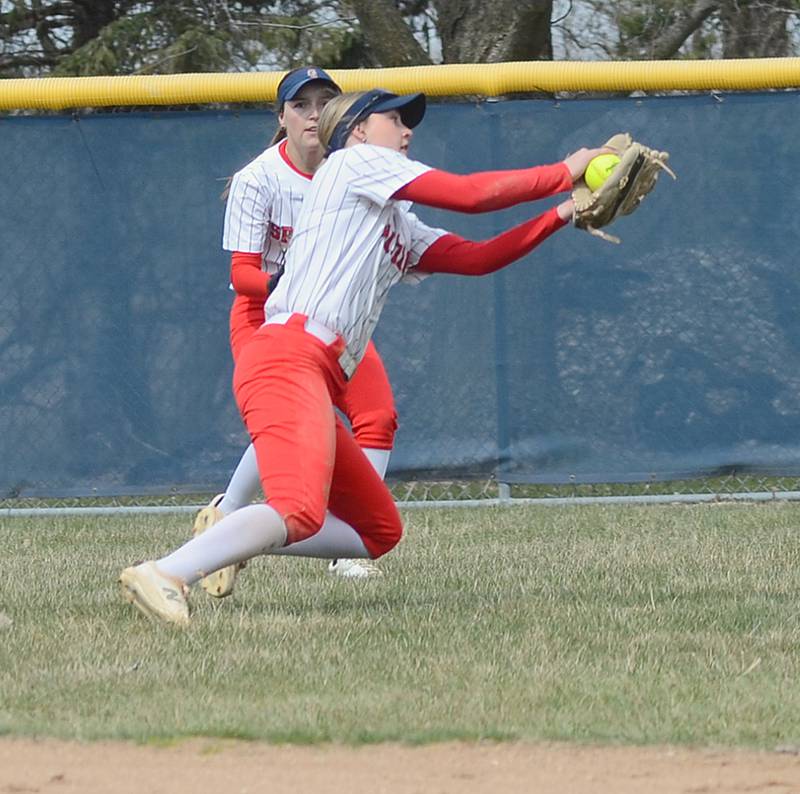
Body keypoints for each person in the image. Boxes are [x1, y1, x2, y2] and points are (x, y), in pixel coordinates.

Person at [120, 88, 610, 626]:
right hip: (288, 355)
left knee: (377, 530)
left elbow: (478, 257)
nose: (406, 132)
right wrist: (567, 170)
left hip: (317, 369)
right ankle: (168, 571)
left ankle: (228, 539)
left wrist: (565, 212)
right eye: (394, 119)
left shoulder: (394, 219)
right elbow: (472, 196)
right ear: (356, 131)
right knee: (300, 508)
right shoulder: (354, 163)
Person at [196, 67, 397, 596]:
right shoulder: (258, 178)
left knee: (377, 415)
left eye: (322, 103)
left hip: (327, 316)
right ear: (281, 116)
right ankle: (230, 514)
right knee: (293, 416)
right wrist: (290, 279)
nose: (312, 114)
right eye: (300, 104)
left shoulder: (350, 170)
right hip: (264, 315)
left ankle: (346, 543)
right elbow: (242, 275)